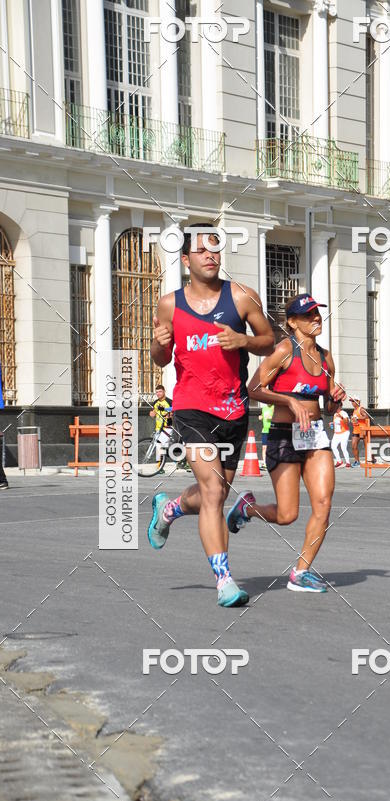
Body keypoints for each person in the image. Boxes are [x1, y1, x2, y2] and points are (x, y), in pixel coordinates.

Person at [146, 223, 274, 608]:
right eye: (201, 250)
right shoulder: (169, 304)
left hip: (233, 409)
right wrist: (158, 344)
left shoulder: (242, 297)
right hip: (191, 408)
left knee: (211, 495)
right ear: (186, 259)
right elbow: (160, 359)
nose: (210, 255)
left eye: (215, 249)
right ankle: (224, 581)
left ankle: (169, 509)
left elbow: (270, 341)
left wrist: (244, 340)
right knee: (214, 492)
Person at [226, 294, 345, 593]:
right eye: (308, 315)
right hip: (283, 435)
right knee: (287, 515)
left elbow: (329, 406)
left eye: (317, 313)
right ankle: (247, 509)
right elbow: (253, 388)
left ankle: (301, 572)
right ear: (292, 322)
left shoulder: (326, 357)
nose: (316, 318)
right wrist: (289, 401)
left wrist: (336, 400)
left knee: (324, 504)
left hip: (315, 436)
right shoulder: (283, 351)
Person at [149, 384, 173, 463]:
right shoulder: (155, 402)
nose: (158, 393)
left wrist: (170, 415)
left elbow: (174, 412)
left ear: (164, 392)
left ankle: (160, 465)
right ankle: (161, 464)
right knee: (160, 446)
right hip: (158, 428)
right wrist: (152, 414)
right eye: (157, 392)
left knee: (160, 445)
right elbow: (153, 413)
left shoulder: (170, 402)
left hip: (167, 427)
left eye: (160, 391)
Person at [350, 396, 369, 467]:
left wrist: (357, 418)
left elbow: (366, 417)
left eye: (353, 401)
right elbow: (355, 419)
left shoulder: (361, 409)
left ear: (358, 401)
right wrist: (352, 419)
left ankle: (371, 459)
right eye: (351, 401)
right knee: (353, 445)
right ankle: (357, 461)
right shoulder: (354, 410)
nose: (352, 403)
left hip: (363, 429)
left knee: (367, 446)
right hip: (356, 429)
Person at [258, 402, 274, 470]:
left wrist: (271, 417)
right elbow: (262, 416)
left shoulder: (274, 407)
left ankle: (272, 462)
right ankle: (265, 463)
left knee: (271, 447)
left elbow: (278, 417)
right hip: (264, 430)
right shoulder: (264, 408)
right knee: (264, 447)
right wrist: (260, 417)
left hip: (272, 430)